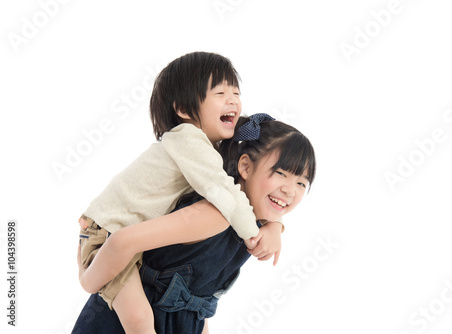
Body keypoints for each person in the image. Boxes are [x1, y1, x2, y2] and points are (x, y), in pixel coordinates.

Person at [78, 52, 282, 334]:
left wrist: (276, 224)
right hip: (106, 233)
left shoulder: (208, 151)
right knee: (138, 319)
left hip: (129, 243)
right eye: (220, 92)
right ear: (184, 110)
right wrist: (254, 234)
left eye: (236, 92)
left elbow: (244, 191)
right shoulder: (188, 139)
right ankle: (88, 278)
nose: (233, 100)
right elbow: (226, 192)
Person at [73, 115, 316, 334]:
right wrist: (89, 277)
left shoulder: (252, 228)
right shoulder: (213, 216)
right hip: (127, 321)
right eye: (281, 173)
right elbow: (123, 241)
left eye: (301, 184)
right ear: (245, 166)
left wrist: (276, 226)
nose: (289, 190)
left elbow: (196, 303)